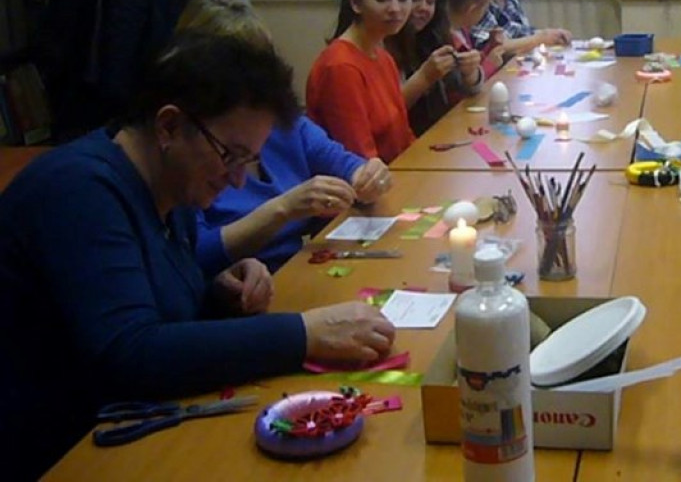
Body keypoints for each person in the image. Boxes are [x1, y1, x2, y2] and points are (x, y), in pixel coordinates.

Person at [0, 34, 396, 481]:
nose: (240, 181)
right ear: (168, 127)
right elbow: (128, 354)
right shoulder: (79, 189)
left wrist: (216, 291)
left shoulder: (170, 186)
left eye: (249, 161)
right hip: (58, 454)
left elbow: (153, 299)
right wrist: (304, 334)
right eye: (230, 155)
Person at [175, 0, 393, 275]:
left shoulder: (284, 123)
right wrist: (284, 208)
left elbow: (343, 161)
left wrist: (367, 175)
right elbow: (191, 256)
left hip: (296, 271)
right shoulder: (192, 147)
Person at [307, 0, 416, 162]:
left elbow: (403, 137)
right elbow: (360, 160)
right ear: (355, 2)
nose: (395, 9)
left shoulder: (384, 58)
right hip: (365, 186)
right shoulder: (340, 66)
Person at [385, 0, 483, 135]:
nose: (424, 8)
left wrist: (471, 73)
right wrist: (424, 78)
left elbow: (466, 87)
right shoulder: (384, 44)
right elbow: (384, 115)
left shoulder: (434, 36)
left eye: (430, 1)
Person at [446, 0, 506, 80]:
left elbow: (475, 63)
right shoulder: (449, 41)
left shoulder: (462, 31)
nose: (484, 15)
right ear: (471, 9)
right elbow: (461, 86)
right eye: (484, 10)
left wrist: (491, 46)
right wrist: (490, 64)